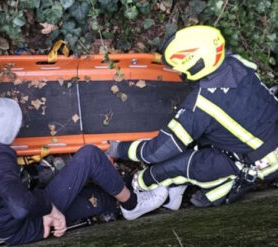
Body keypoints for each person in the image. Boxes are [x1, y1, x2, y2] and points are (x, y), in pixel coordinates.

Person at [0, 97, 168, 245]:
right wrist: (48, 210)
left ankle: (113, 201)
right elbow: (19, 206)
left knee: (101, 201)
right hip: (23, 225)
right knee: (90, 156)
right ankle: (133, 205)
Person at [106, 25, 278, 208]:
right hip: (264, 135)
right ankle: (224, 182)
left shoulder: (200, 105)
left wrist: (120, 149)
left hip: (261, 162)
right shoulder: (238, 63)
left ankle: (140, 187)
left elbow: (156, 151)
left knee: (170, 168)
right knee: (204, 140)